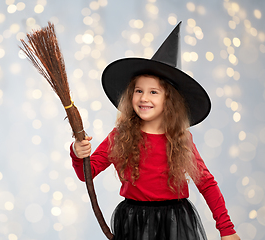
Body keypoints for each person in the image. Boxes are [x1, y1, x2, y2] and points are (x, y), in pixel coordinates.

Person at [70, 22, 240, 240]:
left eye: (153, 92)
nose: (144, 98)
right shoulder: (121, 135)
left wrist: (226, 229)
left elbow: (206, 183)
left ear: (169, 100)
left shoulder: (180, 139)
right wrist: (78, 153)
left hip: (174, 223)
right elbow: (88, 173)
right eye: (138, 90)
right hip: (134, 223)